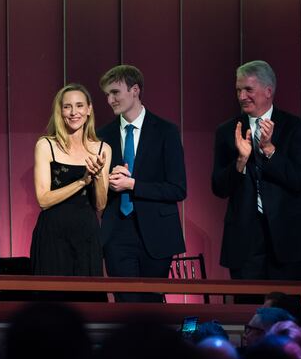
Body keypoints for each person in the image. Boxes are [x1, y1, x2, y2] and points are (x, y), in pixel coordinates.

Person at [212, 60, 301, 290]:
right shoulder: (227, 131)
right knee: (248, 308)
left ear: (268, 91)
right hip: (244, 240)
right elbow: (219, 188)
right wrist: (240, 160)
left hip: (288, 238)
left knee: (286, 308)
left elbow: (299, 180)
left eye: (248, 90)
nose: (242, 96)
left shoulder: (295, 127)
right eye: (238, 90)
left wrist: (270, 150)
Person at [97, 64, 186, 302]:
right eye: (107, 94)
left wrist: (133, 185)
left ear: (135, 90)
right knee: (126, 304)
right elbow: (96, 190)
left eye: (115, 92)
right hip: (117, 232)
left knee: (151, 305)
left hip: (157, 233)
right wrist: (106, 179)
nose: (110, 100)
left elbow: (178, 189)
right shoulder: (102, 135)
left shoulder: (166, 131)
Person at [31, 84, 110, 297]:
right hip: (52, 236)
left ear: (89, 109)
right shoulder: (46, 145)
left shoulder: (102, 149)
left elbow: (100, 204)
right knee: (51, 304)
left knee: (87, 302)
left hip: (87, 236)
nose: (74, 112)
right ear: (60, 111)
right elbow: (43, 199)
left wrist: (98, 177)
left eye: (79, 106)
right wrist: (82, 182)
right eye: (67, 107)